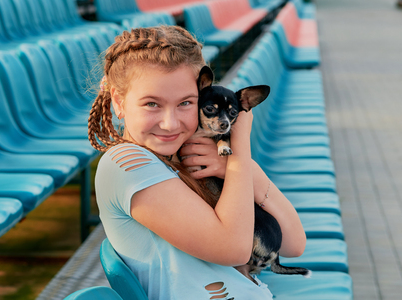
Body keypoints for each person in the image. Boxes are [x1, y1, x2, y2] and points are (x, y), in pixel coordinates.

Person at [88, 25, 306, 299]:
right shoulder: (125, 163)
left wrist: (234, 167)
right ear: (118, 102)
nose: (170, 123)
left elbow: (294, 243)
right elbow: (234, 248)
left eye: (186, 103)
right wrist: (239, 150)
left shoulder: (184, 159)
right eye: (152, 104)